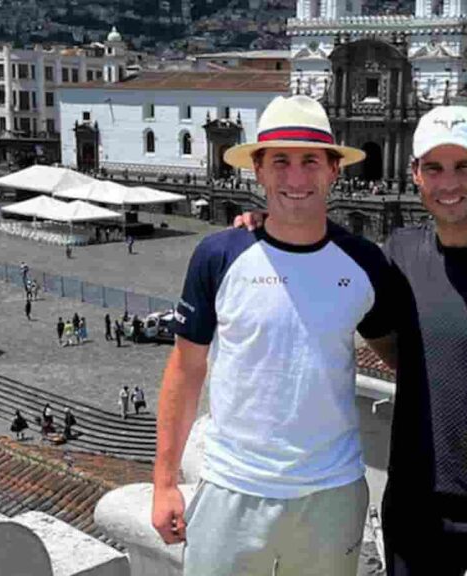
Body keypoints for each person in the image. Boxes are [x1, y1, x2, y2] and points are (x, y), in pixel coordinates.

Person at [235, 105, 467, 576]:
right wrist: (270, 220)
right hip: (414, 505)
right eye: (435, 168)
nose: (449, 184)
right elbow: (361, 300)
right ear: (415, 174)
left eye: (463, 167)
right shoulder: (399, 253)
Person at [152, 94, 394, 576]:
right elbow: (185, 368)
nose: (296, 177)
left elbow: (402, 355)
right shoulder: (217, 256)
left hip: (333, 494)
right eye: (280, 160)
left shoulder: (366, 263)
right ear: (258, 171)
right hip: (231, 488)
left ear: (333, 171)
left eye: (310, 161)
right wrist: (163, 482)